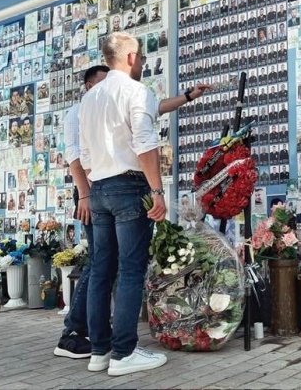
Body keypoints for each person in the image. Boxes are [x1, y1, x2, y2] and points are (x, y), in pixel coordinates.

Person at [79, 33, 209, 376]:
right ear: (132, 57)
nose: (145, 65)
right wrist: (157, 191)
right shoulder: (136, 91)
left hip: (100, 187)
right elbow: (145, 145)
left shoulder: (91, 99)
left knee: (101, 270)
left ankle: (99, 351)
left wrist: (186, 97)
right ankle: (124, 353)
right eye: (144, 59)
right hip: (129, 186)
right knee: (132, 270)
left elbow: (86, 157)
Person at [53, 65, 109, 360]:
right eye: (102, 83)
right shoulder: (77, 113)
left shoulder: (103, 113)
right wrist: (84, 195)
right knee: (98, 260)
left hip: (101, 192)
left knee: (102, 260)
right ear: (88, 86)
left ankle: (89, 327)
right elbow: (75, 158)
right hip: (89, 193)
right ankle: (72, 332)